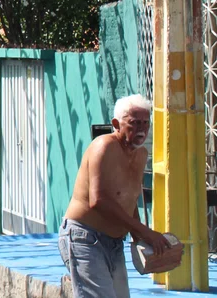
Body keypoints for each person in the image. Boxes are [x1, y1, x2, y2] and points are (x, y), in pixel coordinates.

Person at [60, 94, 171, 298]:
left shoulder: (140, 154)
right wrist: (145, 232)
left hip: (114, 242)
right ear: (116, 124)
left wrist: (142, 240)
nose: (141, 129)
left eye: (145, 123)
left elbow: (129, 201)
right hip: (84, 237)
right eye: (134, 123)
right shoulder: (104, 146)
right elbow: (99, 200)